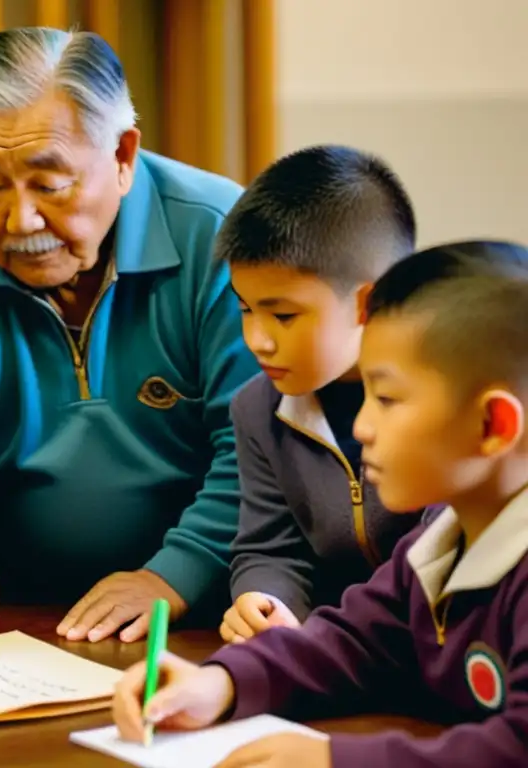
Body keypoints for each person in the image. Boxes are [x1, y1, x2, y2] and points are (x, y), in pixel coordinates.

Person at [0, 26, 258, 656]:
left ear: (123, 157)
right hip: (7, 614)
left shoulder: (219, 235)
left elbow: (253, 440)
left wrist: (174, 574)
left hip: (196, 608)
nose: (19, 220)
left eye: (50, 184)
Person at [111, 241, 528, 768]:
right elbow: (350, 641)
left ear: (493, 426)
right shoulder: (437, 545)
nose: (361, 427)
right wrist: (220, 683)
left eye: (388, 399)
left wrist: (334, 759)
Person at [218, 145, 423, 643]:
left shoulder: (441, 403)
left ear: (367, 302)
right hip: (337, 657)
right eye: (245, 309)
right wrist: (265, 602)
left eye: (283, 315)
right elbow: (269, 549)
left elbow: (435, 568)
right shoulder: (257, 409)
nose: (257, 339)